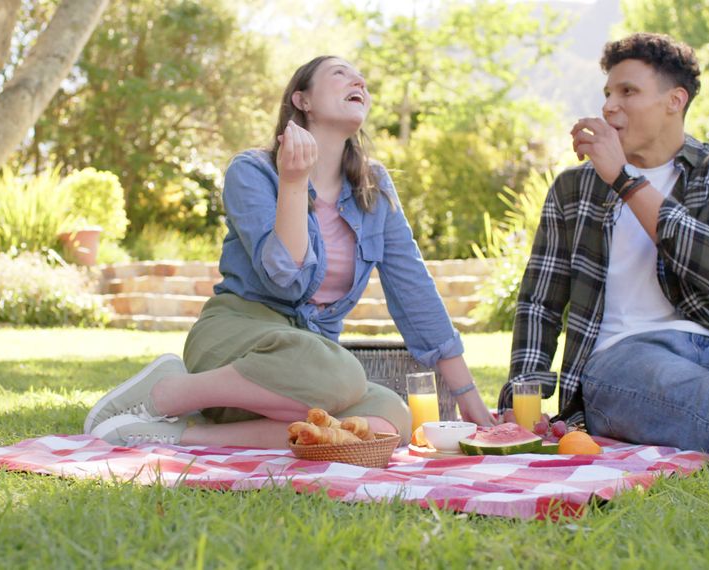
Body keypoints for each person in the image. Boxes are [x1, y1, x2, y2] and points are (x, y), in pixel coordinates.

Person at [84, 56, 496, 449]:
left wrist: (468, 397)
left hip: (301, 375)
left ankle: (180, 434)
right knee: (338, 373)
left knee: (391, 419)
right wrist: (294, 183)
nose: (359, 83)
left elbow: (415, 292)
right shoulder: (253, 171)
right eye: (340, 74)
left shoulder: (375, 189)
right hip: (236, 340)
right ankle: (168, 390)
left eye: (361, 80)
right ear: (302, 100)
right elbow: (284, 274)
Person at [498, 32, 709, 477]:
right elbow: (541, 301)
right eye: (607, 93)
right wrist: (524, 393)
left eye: (628, 91)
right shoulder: (574, 188)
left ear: (675, 100)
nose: (610, 106)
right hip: (619, 359)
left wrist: (626, 182)